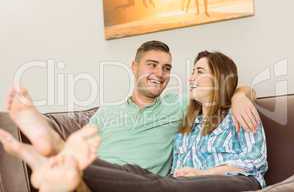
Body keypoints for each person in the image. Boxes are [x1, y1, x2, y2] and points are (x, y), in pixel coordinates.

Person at [0, 41, 260, 191]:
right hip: (99, 177)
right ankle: (57, 153)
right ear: (134, 67)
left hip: (136, 184)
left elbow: (224, 91)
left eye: (167, 68)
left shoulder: (180, 105)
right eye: (152, 64)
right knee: (87, 171)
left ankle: (54, 154)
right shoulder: (107, 112)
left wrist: (239, 96)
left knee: (139, 177)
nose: (160, 73)